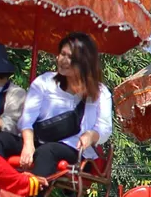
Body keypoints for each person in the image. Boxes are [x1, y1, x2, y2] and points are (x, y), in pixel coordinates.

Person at [10, 31, 113, 178]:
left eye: (70, 57)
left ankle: (32, 193)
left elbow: (105, 128)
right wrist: (28, 144)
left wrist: (91, 135)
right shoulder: (44, 81)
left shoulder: (101, 93)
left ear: (84, 62)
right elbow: (27, 119)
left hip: (74, 149)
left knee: (47, 151)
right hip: (37, 140)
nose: (63, 60)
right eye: (62, 54)